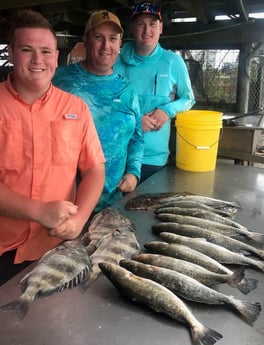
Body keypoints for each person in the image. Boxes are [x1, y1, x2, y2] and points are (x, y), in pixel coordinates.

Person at [0, 10, 105, 285]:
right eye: (27, 50)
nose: (38, 60)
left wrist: (80, 218)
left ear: (56, 58)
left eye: (46, 51)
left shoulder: (75, 108)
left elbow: (94, 168)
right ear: (11, 54)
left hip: (55, 247)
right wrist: (39, 211)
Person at [53, 10, 144, 210]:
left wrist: (133, 173)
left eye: (112, 39)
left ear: (120, 43)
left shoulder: (128, 90)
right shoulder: (58, 80)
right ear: (85, 40)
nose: (106, 46)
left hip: (114, 202)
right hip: (66, 204)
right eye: (98, 37)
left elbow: (137, 138)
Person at [114, 1, 195, 183]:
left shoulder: (173, 62)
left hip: (155, 159)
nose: (146, 30)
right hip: (119, 155)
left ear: (161, 28)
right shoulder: (115, 61)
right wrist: (135, 123)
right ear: (132, 28)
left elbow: (188, 98)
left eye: (152, 24)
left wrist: (167, 110)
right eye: (140, 24)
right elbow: (106, 106)